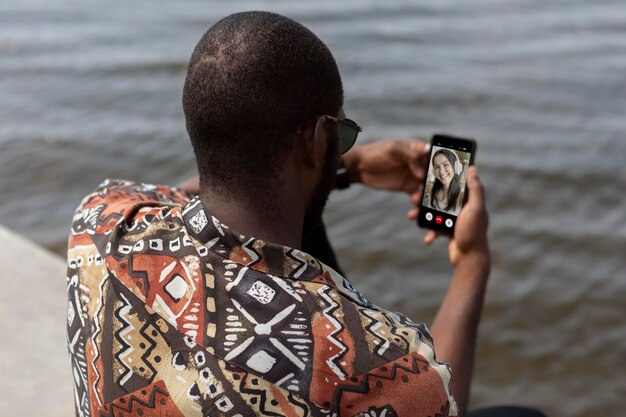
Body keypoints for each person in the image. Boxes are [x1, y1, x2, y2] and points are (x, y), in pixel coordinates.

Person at [66, 11, 505, 417]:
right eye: (341, 132)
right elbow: (439, 399)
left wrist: (346, 165)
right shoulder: (365, 361)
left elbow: (187, 191)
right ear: (315, 140)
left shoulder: (99, 223)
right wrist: (473, 261)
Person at [422, 148, 466, 215]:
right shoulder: (432, 189)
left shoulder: (462, 196)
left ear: (456, 167)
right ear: (434, 172)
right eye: (437, 167)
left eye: (445, 165)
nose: (441, 171)